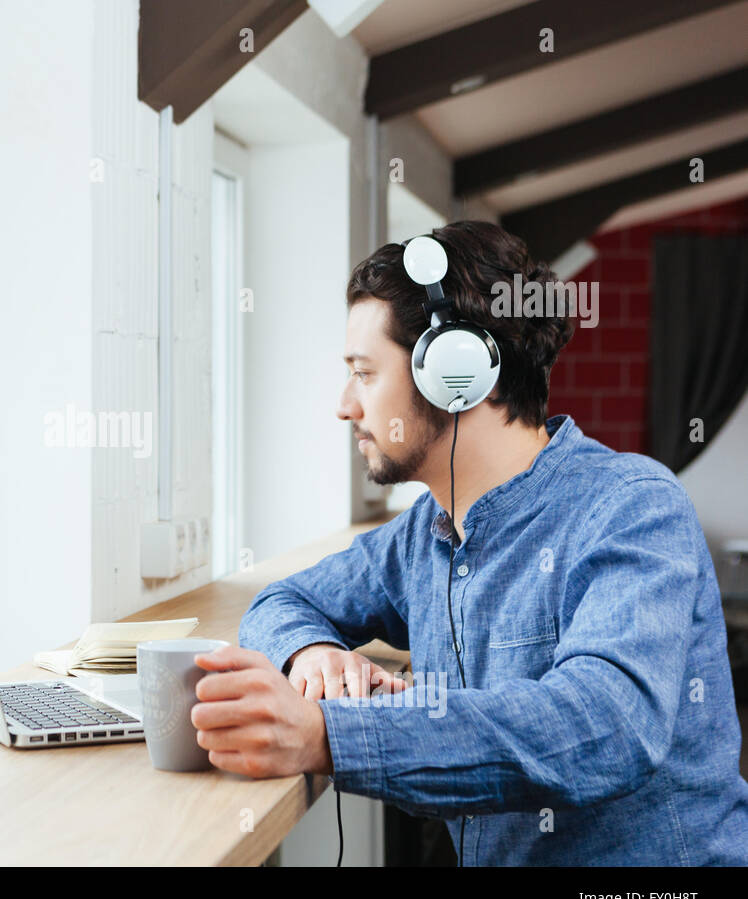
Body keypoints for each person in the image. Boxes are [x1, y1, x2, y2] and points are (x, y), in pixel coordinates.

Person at [189, 220, 748, 865]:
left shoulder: (633, 506)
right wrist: (311, 652)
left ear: (455, 375)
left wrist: (330, 735)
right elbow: (283, 599)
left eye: (365, 374)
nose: (345, 406)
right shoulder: (422, 534)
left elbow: (604, 726)